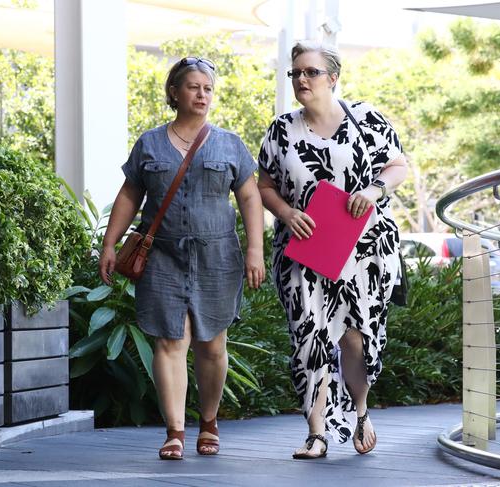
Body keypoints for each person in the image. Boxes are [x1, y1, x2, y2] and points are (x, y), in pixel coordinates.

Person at [99, 56, 266, 460]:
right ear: (174, 92)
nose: (202, 94)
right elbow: (129, 195)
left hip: (218, 256)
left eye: (207, 88)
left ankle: (208, 422)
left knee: (211, 344)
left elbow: (249, 196)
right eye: (193, 87)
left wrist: (255, 250)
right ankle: (174, 430)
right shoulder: (150, 143)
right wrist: (109, 243)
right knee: (170, 341)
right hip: (162, 255)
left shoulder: (229, 143)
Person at [257, 41, 408, 459]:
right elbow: (264, 185)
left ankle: (360, 411)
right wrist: (286, 213)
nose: (302, 80)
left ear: (333, 77)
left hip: (363, 252)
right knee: (310, 339)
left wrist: (374, 188)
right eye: (296, 74)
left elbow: (398, 165)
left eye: (311, 72)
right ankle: (317, 433)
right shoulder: (281, 130)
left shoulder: (366, 118)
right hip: (303, 251)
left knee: (355, 341)